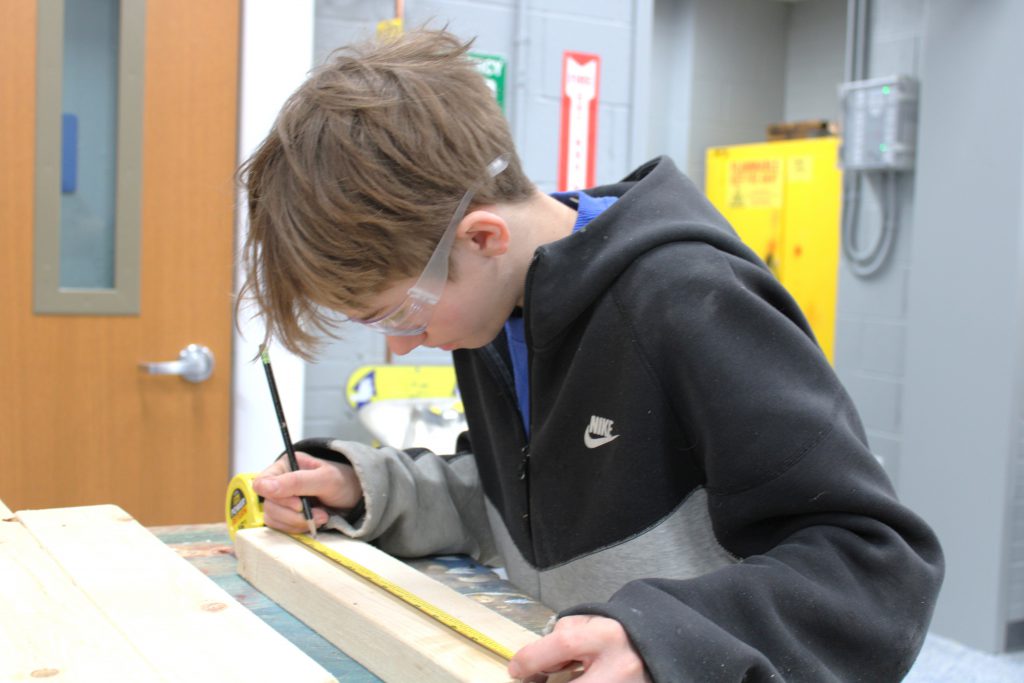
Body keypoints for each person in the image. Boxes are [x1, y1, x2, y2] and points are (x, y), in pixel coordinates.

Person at [238, 27, 943, 682]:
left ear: (482, 238)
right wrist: (370, 487)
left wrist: (665, 638)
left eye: (402, 311)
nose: (401, 341)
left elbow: (876, 567)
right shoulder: (495, 311)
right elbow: (516, 512)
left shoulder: (687, 299)